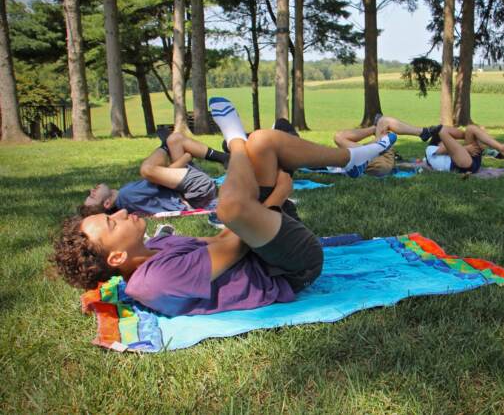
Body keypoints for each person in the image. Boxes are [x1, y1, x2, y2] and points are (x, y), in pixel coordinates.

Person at [51, 97, 396, 317]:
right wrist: (275, 197)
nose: (121, 213)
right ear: (115, 259)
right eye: (112, 224)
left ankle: (350, 159)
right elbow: (234, 243)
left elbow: (219, 241)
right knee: (230, 208)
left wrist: (270, 198)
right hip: (291, 268)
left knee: (262, 141)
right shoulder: (153, 280)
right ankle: (235, 141)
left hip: (265, 241)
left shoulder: (153, 248)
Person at [81, 131, 228, 216]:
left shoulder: (127, 198)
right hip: (196, 192)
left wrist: (184, 159)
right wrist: (185, 158)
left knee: (175, 140)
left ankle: (225, 158)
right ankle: (164, 146)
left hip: (193, 191)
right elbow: (162, 177)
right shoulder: (126, 195)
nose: (92, 190)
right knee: (147, 170)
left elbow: (165, 178)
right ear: (107, 203)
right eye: (93, 195)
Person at [333, 114, 438, 176]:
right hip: (379, 163)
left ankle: (375, 128)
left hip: (374, 157)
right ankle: (423, 132)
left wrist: (375, 132)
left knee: (339, 136)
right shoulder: (339, 159)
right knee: (384, 121)